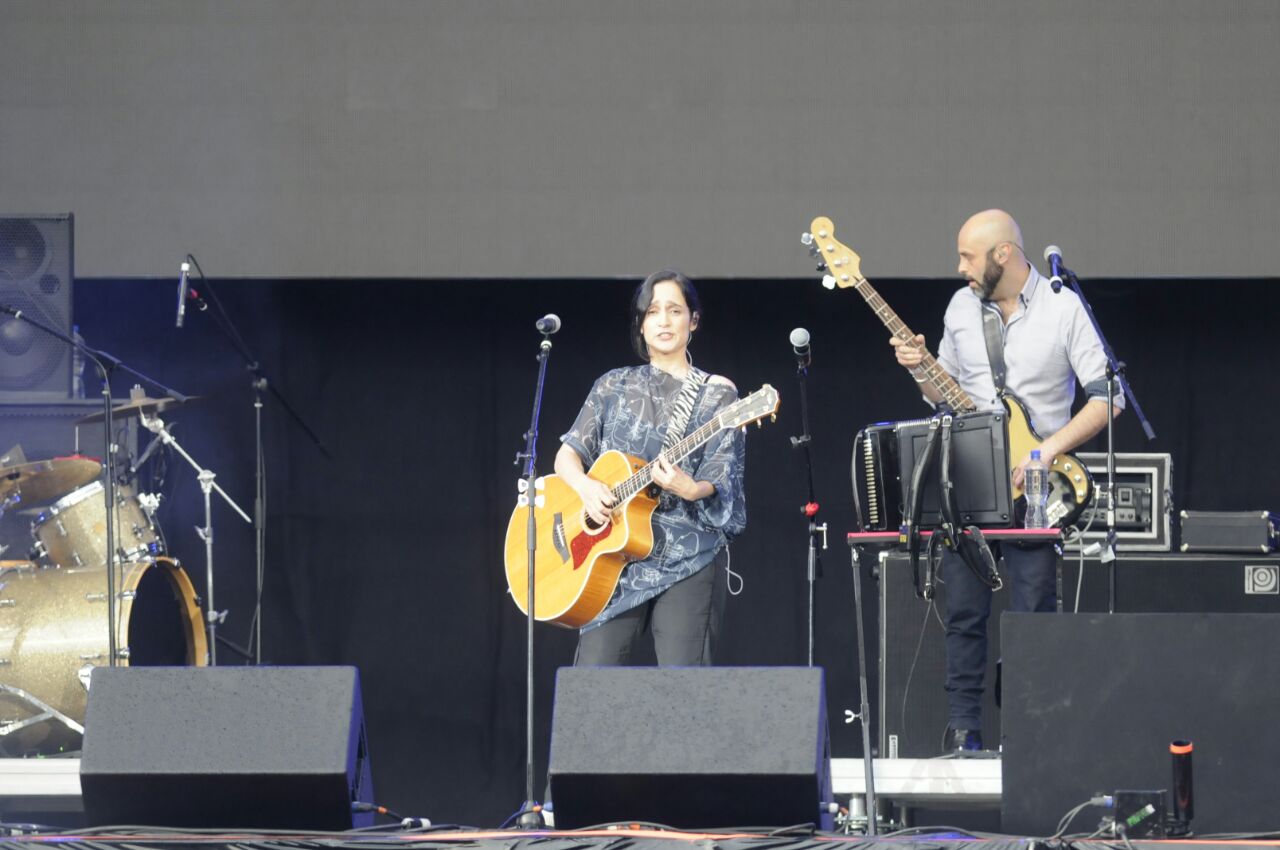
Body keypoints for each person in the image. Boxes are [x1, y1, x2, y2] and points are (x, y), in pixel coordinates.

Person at [890, 209, 1122, 752]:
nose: (960, 267)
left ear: (1003, 254)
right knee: (963, 611)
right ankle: (963, 730)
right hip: (968, 478)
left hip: (1037, 485)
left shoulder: (1063, 307)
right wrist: (918, 366)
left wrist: (1047, 450)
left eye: (968, 257)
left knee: (1033, 611)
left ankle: (1029, 731)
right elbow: (941, 393)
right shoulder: (959, 307)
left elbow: (1107, 397)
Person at [555, 269, 746, 666]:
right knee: (594, 684)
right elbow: (567, 456)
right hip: (613, 557)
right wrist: (586, 488)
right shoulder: (613, 385)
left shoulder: (717, 392)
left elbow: (722, 474)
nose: (664, 320)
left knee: (681, 689)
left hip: (687, 555)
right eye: (653, 311)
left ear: (693, 321)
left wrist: (689, 488)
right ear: (641, 325)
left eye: (675, 310)